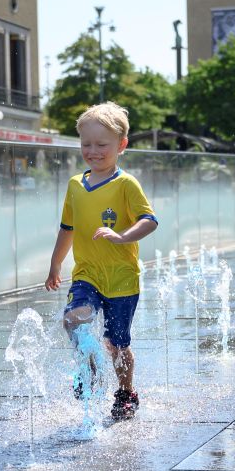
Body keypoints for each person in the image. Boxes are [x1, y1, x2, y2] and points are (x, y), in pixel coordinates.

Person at [45, 102, 159, 420]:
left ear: (121, 145)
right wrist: (55, 264)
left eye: (101, 145)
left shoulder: (126, 184)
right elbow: (67, 228)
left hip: (121, 276)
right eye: (86, 144)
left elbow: (149, 220)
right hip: (87, 273)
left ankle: (125, 392)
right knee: (73, 320)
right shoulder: (75, 185)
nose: (93, 151)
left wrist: (123, 236)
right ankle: (90, 371)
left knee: (117, 343)